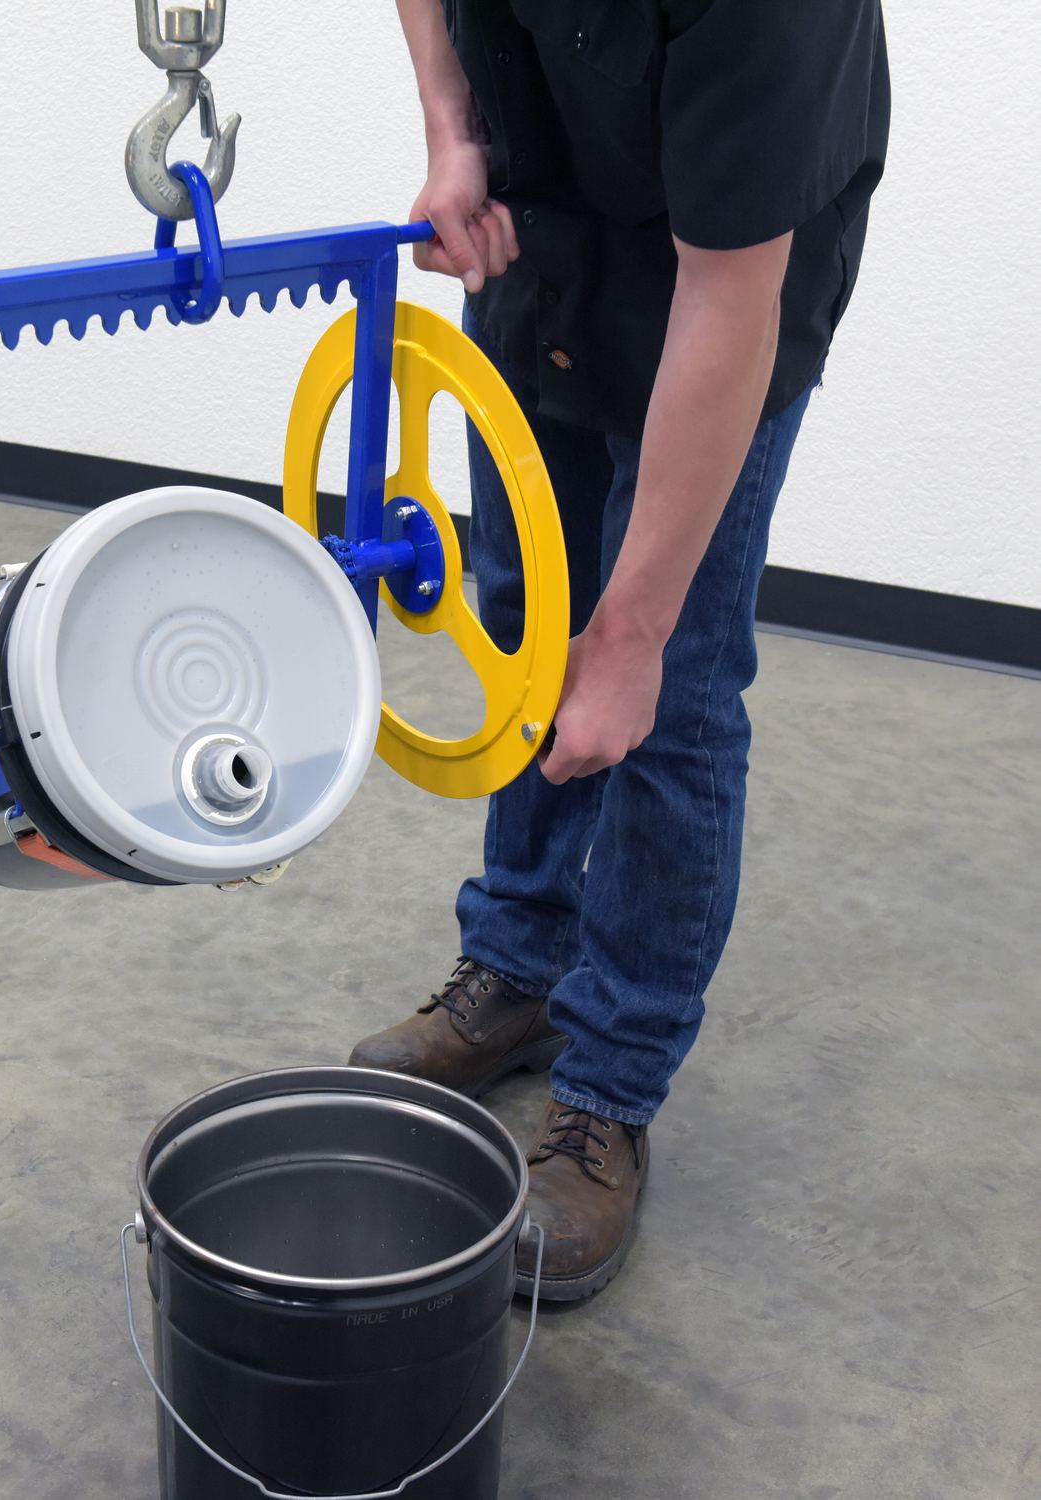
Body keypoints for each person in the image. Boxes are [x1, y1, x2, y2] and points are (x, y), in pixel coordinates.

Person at [350, 0, 891, 1301]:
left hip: (722, 268)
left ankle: (607, 1090)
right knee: (530, 618)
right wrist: (452, 130)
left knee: (666, 689)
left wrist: (634, 632)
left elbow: (728, 294)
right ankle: (519, 963)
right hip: (546, 197)